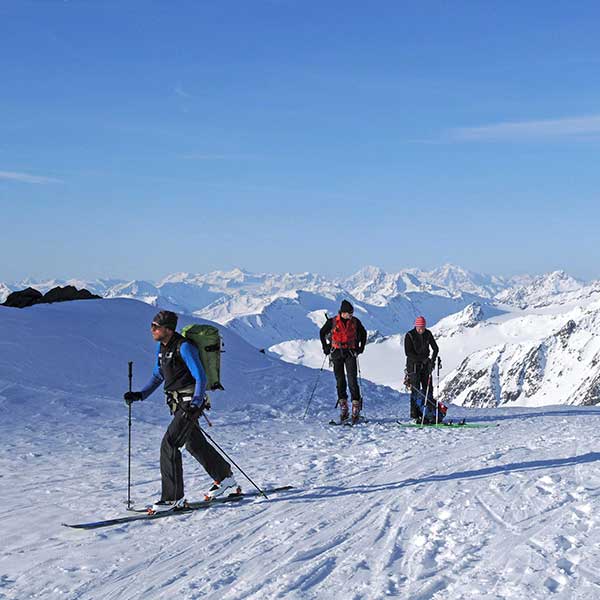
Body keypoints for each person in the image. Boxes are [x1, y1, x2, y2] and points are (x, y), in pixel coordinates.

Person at [124, 310, 238, 512]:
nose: (152, 329)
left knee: (170, 443)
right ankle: (225, 478)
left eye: (155, 326)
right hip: (178, 403)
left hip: (189, 402)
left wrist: (196, 402)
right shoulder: (163, 348)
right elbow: (158, 376)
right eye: (152, 325)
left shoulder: (184, 347)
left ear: (167, 329)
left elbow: (200, 376)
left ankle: (172, 498)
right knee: (194, 443)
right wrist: (140, 395)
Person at [319, 300, 367, 423]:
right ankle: (344, 407)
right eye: (349, 313)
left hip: (350, 352)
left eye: (352, 313)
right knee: (340, 380)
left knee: (352, 379)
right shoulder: (333, 322)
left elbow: (363, 333)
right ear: (342, 312)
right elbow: (322, 332)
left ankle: (356, 406)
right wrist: (325, 346)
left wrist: (361, 347)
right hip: (336, 352)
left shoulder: (355, 322)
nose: (351, 315)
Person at [404, 315, 440, 423]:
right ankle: (415, 414)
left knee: (428, 388)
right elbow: (408, 353)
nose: (421, 330)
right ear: (416, 326)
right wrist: (422, 359)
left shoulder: (428, 334)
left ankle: (428, 413)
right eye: (419, 328)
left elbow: (435, 348)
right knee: (415, 389)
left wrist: (432, 361)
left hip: (425, 365)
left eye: (423, 328)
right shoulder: (409, 335)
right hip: (413, 366)